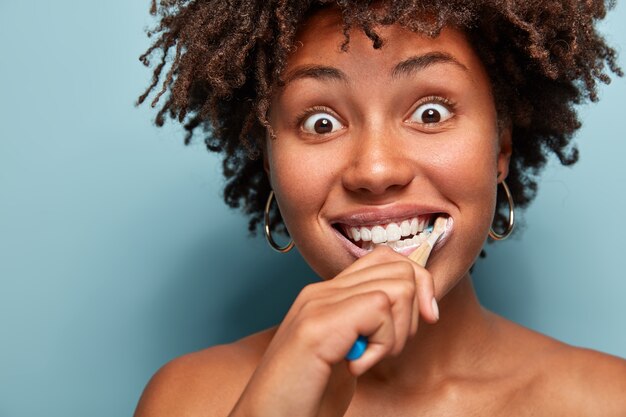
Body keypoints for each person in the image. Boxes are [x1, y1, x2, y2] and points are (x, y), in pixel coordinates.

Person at [134, 1, 626, 415]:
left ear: (500, 147)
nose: (373, 170)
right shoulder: (191, 399)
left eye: (430, 113)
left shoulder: (607, 401)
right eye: (321, 123)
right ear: (268, 163)